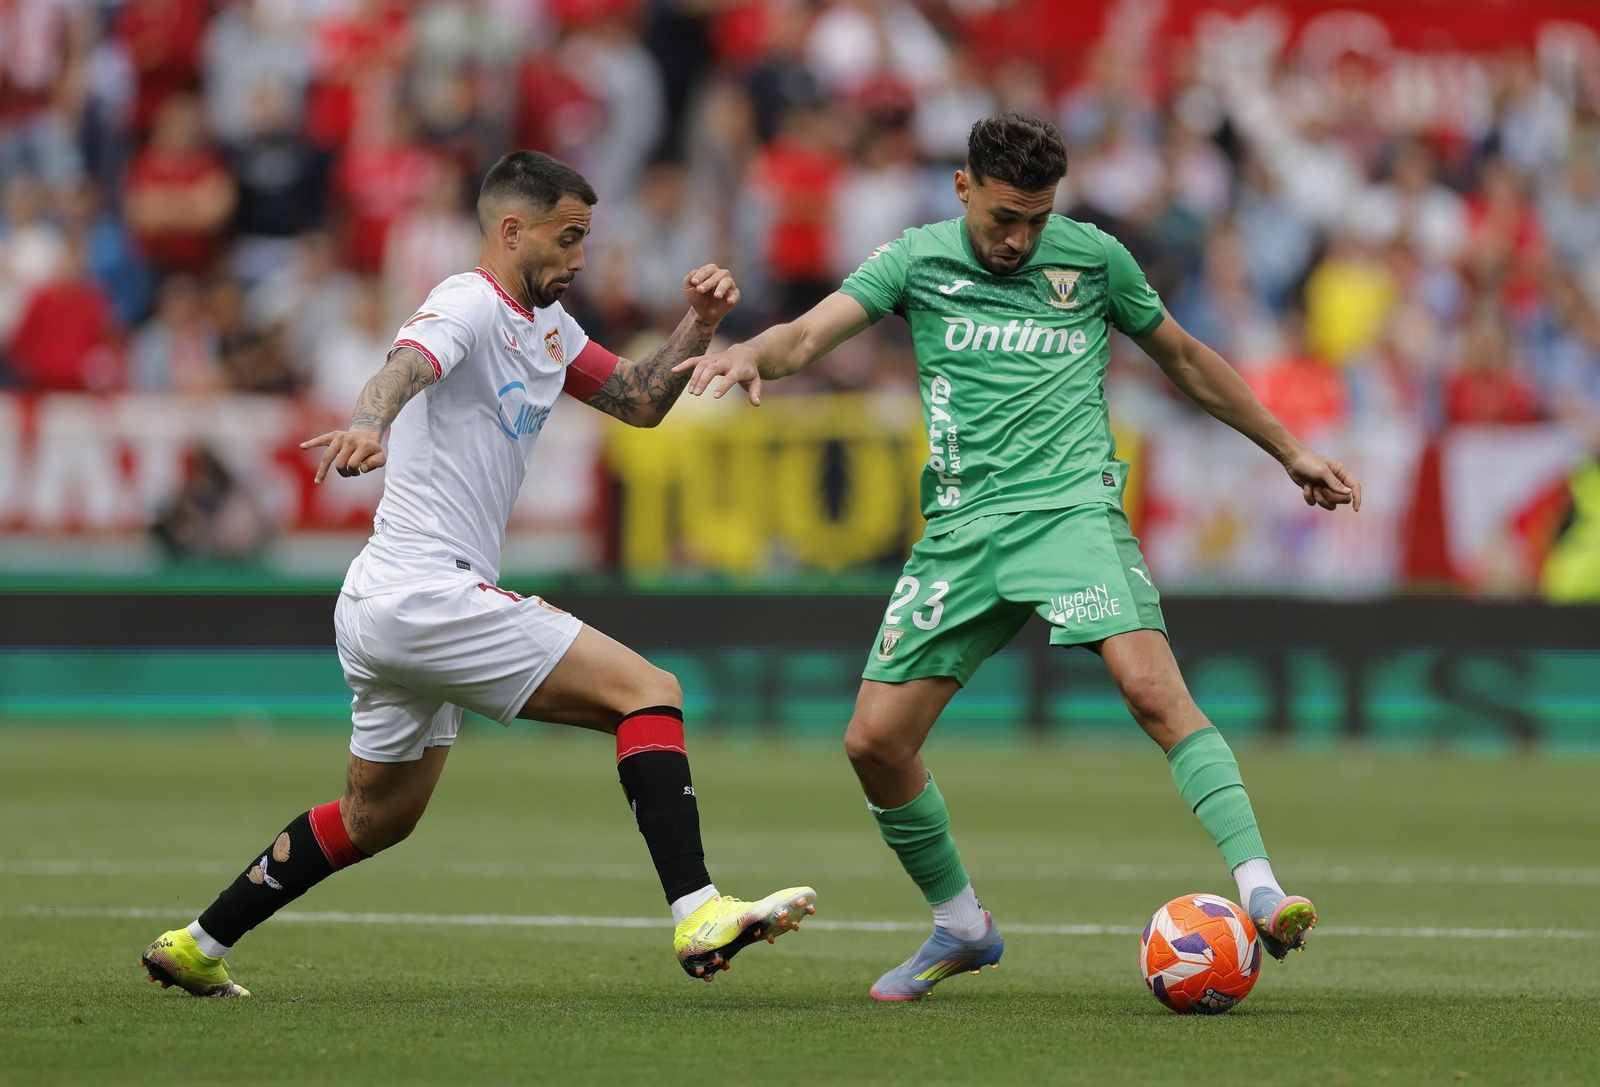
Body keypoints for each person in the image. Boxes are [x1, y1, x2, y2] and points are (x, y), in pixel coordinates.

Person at [675, 114, 1359, 1002]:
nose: (1020, 238)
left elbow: (1184, 357)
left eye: (1036, 219)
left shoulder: (1094, 260)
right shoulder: (915, 259)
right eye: (1005, 217)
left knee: (1153, 689)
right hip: (961, 530)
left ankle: (1260, 888)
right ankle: (961, 924)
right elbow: (806, 336)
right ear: (963, 188)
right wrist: (745, 354)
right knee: (875, 741)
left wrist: (1288, 448)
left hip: (1071, 512)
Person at [140, 150, 815, 998]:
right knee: (649, 692)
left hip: (383, 601)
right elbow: (407, 362)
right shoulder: (465, 301)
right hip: (429, 590)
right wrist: (367, 422)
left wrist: (697, 322)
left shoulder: (549, 327)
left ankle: (196, 942)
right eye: (568, 240)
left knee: (374, 819)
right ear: (511, 230)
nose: (579, 259)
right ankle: (699, 907)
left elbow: (641, 401)